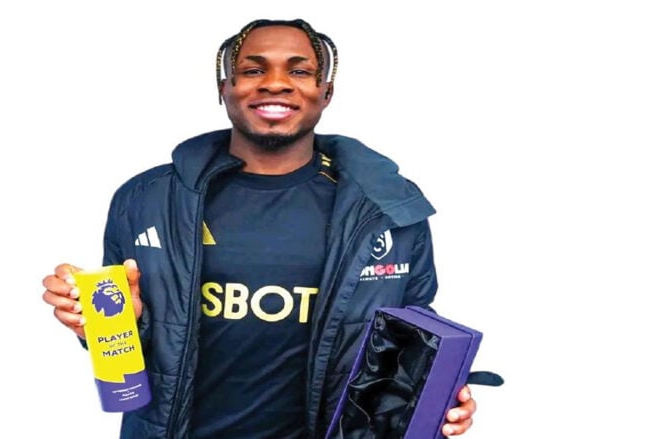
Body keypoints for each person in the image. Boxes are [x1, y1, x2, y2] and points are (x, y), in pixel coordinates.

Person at [42, 18, 478, 438]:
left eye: (300, 71)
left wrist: (443, 399)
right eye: (253, 70)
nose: (275, 83)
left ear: (326, 92)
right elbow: (127, 353)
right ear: (224, 88)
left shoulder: (389, 208)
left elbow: (413, 339)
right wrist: (108, 324)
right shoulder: (147, 199)